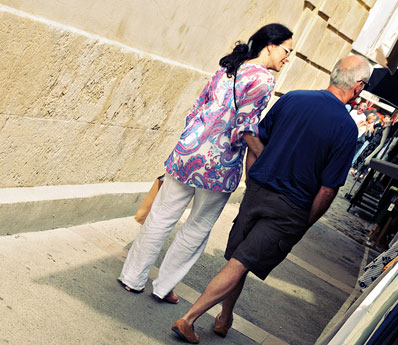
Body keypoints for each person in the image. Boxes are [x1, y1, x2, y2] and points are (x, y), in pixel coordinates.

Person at [171, 54, 371, 344]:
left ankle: (225, 317)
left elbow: (255, 139)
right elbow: (328, 189)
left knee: (240, 257)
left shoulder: (292, 99)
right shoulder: (346, 128)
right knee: (240, 262)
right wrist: (304, 223)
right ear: (358, 87)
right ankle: (188, 320)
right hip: (290, 208)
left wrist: (252, 178)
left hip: (258, 192)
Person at [117, 23, 294, 304]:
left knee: (162, 215)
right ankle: (163, 287)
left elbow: (197, 107)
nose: (288, 57)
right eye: (287, 50)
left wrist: (193, 138)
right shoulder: (263, 80)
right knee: (197, 226)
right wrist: (264, 158)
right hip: (218, 165)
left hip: (188, 152)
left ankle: (132, 278)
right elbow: (244, 129)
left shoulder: (228, 68)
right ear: (270, 46)